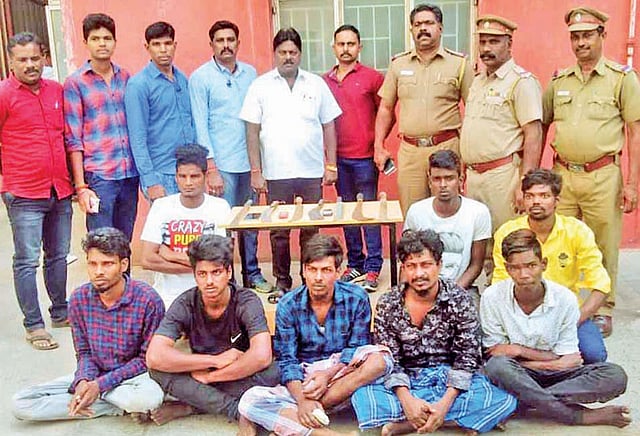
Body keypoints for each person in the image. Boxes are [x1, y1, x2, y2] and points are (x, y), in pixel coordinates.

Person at [351, 230, 516, 435]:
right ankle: (454, 420)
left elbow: (467, 358)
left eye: (426, 265)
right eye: (411, 266)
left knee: (503, 400)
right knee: (363, 396)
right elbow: (391, 360)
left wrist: (444, 404)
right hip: (407, 381)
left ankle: (409, 424)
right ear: (403, 268)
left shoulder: (459, 299)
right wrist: (407, 400)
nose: (419, 273)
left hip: (449, 382)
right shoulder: (388, 303)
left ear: (439, 265)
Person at [542, 6, 640, 337]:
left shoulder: (621, 79)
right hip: (563, 175)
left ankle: (603, 307)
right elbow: (542, 125)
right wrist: (536, 175)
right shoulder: (560, 81)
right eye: (575, 37)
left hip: (603, 175)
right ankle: (560, 301)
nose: (581, 42)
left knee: (603, 244)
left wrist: (632, 183)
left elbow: (634, 131)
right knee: (559, 240)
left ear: (602, 36)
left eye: (587, 35)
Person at [238, 234, 392, 436]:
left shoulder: (356, 297)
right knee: (250, 399)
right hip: (306, 379)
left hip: (343, 373)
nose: (318, 277)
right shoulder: (288, 304)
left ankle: (297, 418)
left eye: (326, 270)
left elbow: (356, 349)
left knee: (380, 361)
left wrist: (327, 376)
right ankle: (325, 432)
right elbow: (287, 361)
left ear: (338, 272)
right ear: (304, 271)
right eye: (312, 269)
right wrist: (303, 399)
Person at [12, 227, 165, 421]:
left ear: (123, 264)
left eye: (107, 264)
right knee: (22, 403)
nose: (98, 272)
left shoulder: (148, 300)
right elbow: (84, 352)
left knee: (147, 400)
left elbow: (146, 360)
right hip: (97, 373)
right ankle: (103, 403)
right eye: (93, 264)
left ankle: (90, 400)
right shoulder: (79, 298)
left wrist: (99, 386)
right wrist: (83, 380)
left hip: (133, 377)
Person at [482, 229, 630, 428]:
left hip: (554, 377)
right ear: (507, 269)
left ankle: (517, 404)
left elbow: (568, 360)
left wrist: (518, 351)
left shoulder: (564, 298)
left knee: (614, 375)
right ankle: (577, 416)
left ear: (543, 264)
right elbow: (496, 356)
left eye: (531, 265)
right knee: (496, 367)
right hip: (516, 374)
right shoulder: (492, 297)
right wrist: (549, 361)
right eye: (516, 268)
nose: (524, 274)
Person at [240, 27, 342, 294]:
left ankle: (309, 279)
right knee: (279, 231)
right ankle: (283, 281)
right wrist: (256, 171)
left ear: (300, 54)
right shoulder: (260, 86)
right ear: (275, 54)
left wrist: (331, 165)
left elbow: (329, 125)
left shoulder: (316, 84)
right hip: (276, 173)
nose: (288, 57)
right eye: (283, 52)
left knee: (310, 229)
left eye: (293, 52)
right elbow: (251, 130)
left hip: (311, 171)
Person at [146, 234, 279, 425]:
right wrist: (214, 361)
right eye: (202, 274)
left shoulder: (246, 301)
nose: (209, 281)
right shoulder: (185, 303)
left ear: (229, 272)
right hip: (202, 367)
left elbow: (261, 356)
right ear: (195, 275)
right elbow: (155, 356)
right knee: (157, 371)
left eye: (216, 272)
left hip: (239, 371)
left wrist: (210, 377)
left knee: (274, 371)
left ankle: (193, 405)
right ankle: (237, 411)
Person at [0, 32, 73, 351]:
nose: (30, 64)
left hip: (60, 189)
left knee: (58, 256)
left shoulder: (56, 91)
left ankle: (60, 312)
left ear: (44, 57)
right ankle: (34, 324)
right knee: (27, 260)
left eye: (35, 58)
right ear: (11, 62)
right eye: (23, 59)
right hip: (23, 193)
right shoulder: (3, 95)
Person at [492, 169, 611, 364]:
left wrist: (572, 321)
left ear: (557, 200)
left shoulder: (576, 231)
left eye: (544, 196)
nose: (536, 202)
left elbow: (601, 285)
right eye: (530, 196)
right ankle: (543, 369)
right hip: (521, 315)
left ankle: (555, 372)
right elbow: (500, 283)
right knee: (499, 358)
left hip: (567, 313)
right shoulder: (508, 232)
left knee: (594, 355)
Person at [189, 20, 271, 293]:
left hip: (249, 163)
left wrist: (259, 165)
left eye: (230, 40)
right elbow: (200, 124)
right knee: (222, 226)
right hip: (221, 165)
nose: (226, 45)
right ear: (211, 44)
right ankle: (227, 278)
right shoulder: (201, 78)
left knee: (250, 223)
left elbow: (257, 120)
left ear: (238, 42)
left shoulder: (250, 74)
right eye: (220, 40)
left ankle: (252, 274)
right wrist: (210, 167)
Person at [374, 3, 473, 215]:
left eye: (429, 23)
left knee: (449, 212)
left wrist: (468, 154)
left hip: (447, 147)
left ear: (440, 27)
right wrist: (378, 145)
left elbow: (473, 112)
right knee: (413, 214)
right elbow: (385, 108)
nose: (423, 29)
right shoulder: (398, 64)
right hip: (411, 152)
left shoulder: (459, 64)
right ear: (411, 29)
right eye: (417, 24)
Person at [460, 15, 542, 234]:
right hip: (474, 178)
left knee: (507, 239)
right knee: (480, 242)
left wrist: (525, 183)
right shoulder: (478, 81)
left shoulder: (521, 82)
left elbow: (533, 135)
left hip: (502, 178)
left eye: (494, 41)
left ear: (509, 43)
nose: (486, 48)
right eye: (482, 42)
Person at [64, 13, 139, 240]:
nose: (102, 44)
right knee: (101, 242)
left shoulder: (125, 77)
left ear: (115, 42)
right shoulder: (75, 83)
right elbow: (73, 139)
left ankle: (125, 267)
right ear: (85, 43)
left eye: (107, 38)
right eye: (95, 39)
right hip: (99, 177)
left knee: (124, 240)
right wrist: (81, 186)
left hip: (129, 173)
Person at [323, 24, 384, 292]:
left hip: (365, 158)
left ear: (360, 47)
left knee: (368, 212)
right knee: (348, 212)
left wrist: (377, 144)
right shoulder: (324, 82)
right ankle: (356, 263)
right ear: (334, 47)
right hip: (339, 160)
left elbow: (385, 114)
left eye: (351, 44)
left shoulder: (373, 78)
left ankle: (373, 267)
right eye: (341, 44)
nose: (346, 49)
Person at [140, 144, 231, 308]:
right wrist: (202, 268)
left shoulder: (220, 207)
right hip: (167, 297)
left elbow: (221, 260)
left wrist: (171, 255)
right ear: (176, 177)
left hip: (208, 296)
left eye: (194, 176)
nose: (188, 183)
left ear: (205, 176)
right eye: (182, 176)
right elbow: (147, 260)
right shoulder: (161, 206)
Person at [125, 21, 195, 200]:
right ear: (147, 47)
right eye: (156, 44)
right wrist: (150, 180)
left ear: (175, 45)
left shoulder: (182, 79)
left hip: (187, 172)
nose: (163, 50)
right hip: (161, 174)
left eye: (167, 43)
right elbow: (137, 138)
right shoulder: (139, 85)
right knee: (168, 220)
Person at [404, 150, 491, 290]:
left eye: (449, 178)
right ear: (429, 181)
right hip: (422, 287)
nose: (443, 185)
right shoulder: (416, 212)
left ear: (460, 180)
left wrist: (451, 293)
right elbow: (407, 260)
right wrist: (406, 293)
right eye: (437, 179)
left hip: (462, 288)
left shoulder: (478, 212)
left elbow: (476, 266)